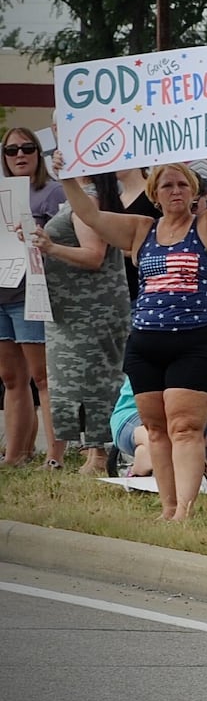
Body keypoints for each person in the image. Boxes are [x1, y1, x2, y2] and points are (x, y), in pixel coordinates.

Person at [56, 125, 207, 519]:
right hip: (145, 342)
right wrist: (67, 177)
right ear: (154, 195)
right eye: (167, 186)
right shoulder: (141, 230)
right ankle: (167, 506)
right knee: (156, 430)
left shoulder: (205, 227)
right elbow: (88, 214)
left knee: (185, 429)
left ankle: (186, 510)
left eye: (182, 185)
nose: (175, 191)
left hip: (194, 340)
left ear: (193, 192)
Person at [110, 279, 207, 476]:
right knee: (165, 441)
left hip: (199, 414)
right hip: (142, 412)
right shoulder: (166, 325)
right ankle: (150, 459)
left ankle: (171, 457)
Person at [34, 168, 132, 475]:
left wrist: (50, 247)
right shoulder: (84, 198)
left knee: (94, 380)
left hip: (90, 311)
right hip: (74, 311)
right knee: (79, 381)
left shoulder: (91, 198)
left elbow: (94, 255)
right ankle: (92, 452)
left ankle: (100, 456)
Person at [1, 127, 65, 467]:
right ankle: (15, 455)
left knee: (42, 377)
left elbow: (66, 241)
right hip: (2, 293)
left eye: (27, 148)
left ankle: (54, 456)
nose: (20, 155)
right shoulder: (1, 193)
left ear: (38, 153)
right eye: (11, 150)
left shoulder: (51, 192)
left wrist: (40, 237)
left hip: (32, 293)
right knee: (11, 378)